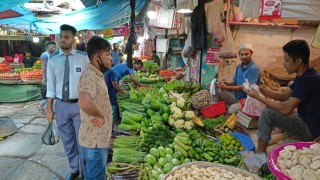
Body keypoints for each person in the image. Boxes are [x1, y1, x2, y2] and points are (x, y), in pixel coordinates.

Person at [243, 39, 320, 154]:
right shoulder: (307, 74)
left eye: (286, 60)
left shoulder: (306, 80)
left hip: (309, 130)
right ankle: (271, 141)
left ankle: (259, 156)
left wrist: (259, 97)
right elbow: (284, 96)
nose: (283, 64)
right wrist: (260, 90)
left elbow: (286, 109)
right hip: (308, 121)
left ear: (298, 61)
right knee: (273, 108)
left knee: (267, 114)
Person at [46, 24, 89, 180]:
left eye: (66, 37)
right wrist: (49, 108)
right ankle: (74, 169)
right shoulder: (53, 60)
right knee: (67, 140)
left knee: (82, 140)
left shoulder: (83, 58)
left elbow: (89, 83)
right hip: (61, 105)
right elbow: (50, 86)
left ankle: (85, 171)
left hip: (80, 105)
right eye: (61, 36)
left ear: (73, 39)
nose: (62, 40)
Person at [78, 36, 112, 180]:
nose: (111, 58)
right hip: (95, 142)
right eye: (108, 54)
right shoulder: (89, 76)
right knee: (96, 176)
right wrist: (101, 116)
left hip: (98, 140)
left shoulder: (97, 75)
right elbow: (84, 102)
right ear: (98, 57)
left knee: (94, 175)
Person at [104, 60, 143, 130]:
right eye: (139, 67)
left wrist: (135, 86)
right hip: (111, 77)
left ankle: (110, 122)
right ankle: (110, 128)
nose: (138, 69)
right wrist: (123, 91)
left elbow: (132, 79)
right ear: (136, 64)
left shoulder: (128, 64)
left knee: (113, 98)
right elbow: (133, 79)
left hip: (108, 75)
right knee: (113, 102)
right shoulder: (131, 66)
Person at [37, 41, 57, 114]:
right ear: (48, 47)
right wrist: (44, 78)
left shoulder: (51, 55)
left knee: (52, 93)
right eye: (53, 47)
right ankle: (41, 105)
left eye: (55, 47)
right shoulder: (44, 55)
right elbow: (43, 67)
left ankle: (49, 108)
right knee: (50, 93)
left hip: (52, 77)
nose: (54, 48)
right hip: (48, 78)